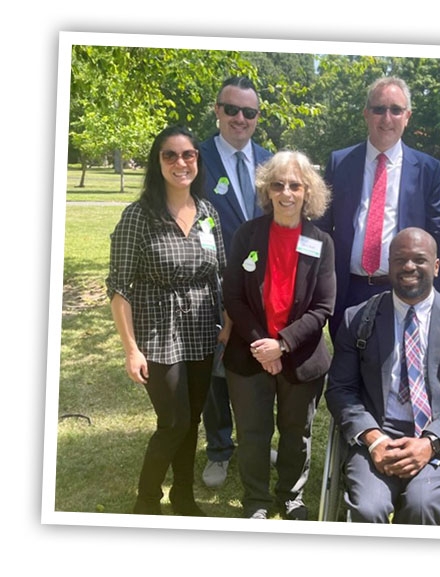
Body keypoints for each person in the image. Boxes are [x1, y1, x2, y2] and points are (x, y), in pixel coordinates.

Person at [325, 227, 440, 525]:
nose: (409, 267)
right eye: (400, 259)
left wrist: (431, 442)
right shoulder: (358, 319)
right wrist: (373, 439)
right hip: (378, 433)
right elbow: (341, 390)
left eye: (420, 259)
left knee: (422, 504)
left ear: (436, 266)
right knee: (367, 507)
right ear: (389, 264)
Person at [106, 125, 227, 516]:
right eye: (170, 155)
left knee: (192, 421)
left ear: (197, 160)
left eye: (188, 154)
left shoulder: (208, 213)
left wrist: (226, 321)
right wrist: (131, 350)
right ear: (158, 162)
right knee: (173, 421)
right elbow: (119, 288)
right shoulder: (138, 216)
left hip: (201, 333)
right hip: (158, 335)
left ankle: (184, 497)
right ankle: (146, 499)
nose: (180, 162)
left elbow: (219, 272)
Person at [222, 150, 335, 520]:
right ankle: (255, 499)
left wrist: (282, 344)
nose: (286, 193)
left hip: (300, 357)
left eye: (295, 185)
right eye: (278, 185)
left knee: (295, 433)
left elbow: (323, 307)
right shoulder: (246, 234)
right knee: (253, 433)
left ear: (308, 192)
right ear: (267, 191)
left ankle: (291, 496)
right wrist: (263, 345)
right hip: (249, 353)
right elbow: (234, 296)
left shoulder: (322, 242)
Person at [315, 76, 440, 340]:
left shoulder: (427, 169)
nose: (387, 118)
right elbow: (321, 228)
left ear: (407, 116)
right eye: (379, 109)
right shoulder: (339, 162)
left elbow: (436, 237)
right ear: (366, 114)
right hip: (347, 288)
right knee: (348, 373)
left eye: (396, 110)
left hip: (402, 288)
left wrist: (436, 297)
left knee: (396, 373)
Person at [199, 76, 273, 489]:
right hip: (211, 284)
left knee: (257, 367)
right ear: (217, 110)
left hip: (262, 287)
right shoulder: (197, 157)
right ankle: (219, 448)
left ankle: (255, 443)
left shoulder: (269, 160)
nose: (240, 119)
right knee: (217, 369)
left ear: (257, 118)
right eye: (232, 109)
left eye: (249, 112)